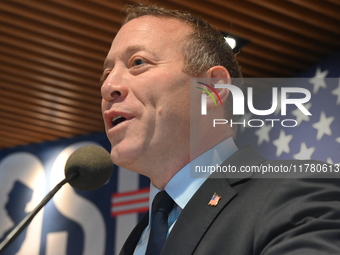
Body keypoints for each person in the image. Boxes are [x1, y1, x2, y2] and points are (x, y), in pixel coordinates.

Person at [100, 4, 340, 255]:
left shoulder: (295, 192)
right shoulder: (140, 239)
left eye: (138, 62)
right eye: (105, 74)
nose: (108, 86)